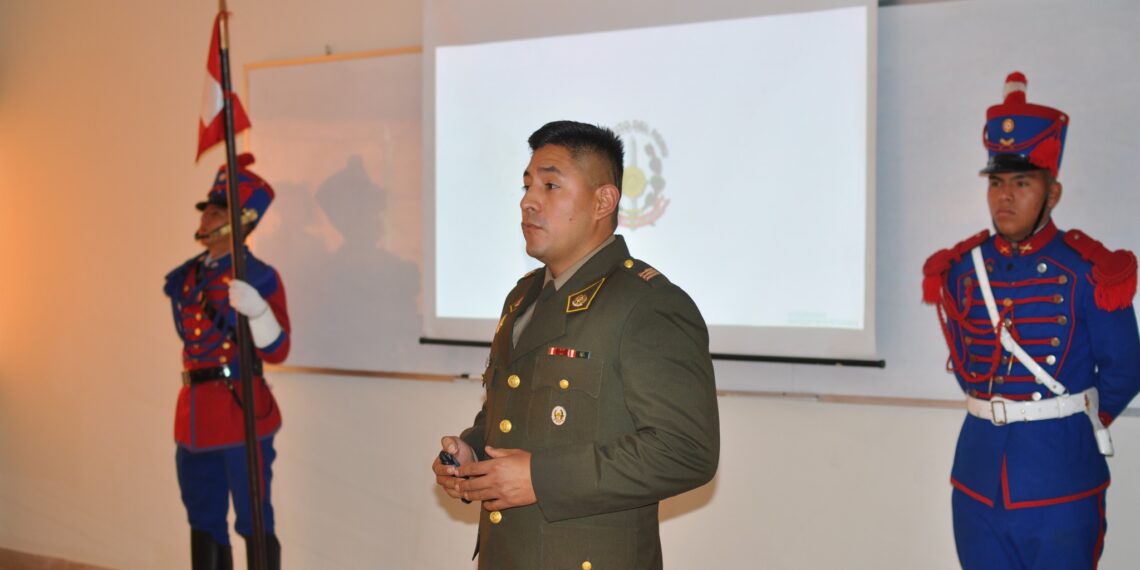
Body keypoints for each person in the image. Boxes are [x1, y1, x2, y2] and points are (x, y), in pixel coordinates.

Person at [432, 120, 720, 569]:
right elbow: (508, 418)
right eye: (527, 185)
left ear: (604, 200)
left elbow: (686, 451)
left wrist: (540, 479)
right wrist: (471, 453)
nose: (529, 200)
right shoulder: (524, 295)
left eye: (550, 185)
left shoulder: (647, 304)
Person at [922, 72, 1140, 568]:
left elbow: (1127, 368)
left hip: (1061, 484)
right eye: (997, 183)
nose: (1004, 196)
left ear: (1053, 192)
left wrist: (1065, 421)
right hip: (977, 484)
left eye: (1021, 182)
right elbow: (968, 362)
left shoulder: (1089, 271)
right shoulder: (962, 269)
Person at [164, 153, 290, 570]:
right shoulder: (184, 278)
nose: (206, 217)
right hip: (195, 417)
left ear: (241, 221)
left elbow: (278, 350)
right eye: (207, 209)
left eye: (217, 211)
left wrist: (259, 313)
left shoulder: (259, 276)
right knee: (202, 518)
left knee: (254, 518)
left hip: (241, 412)